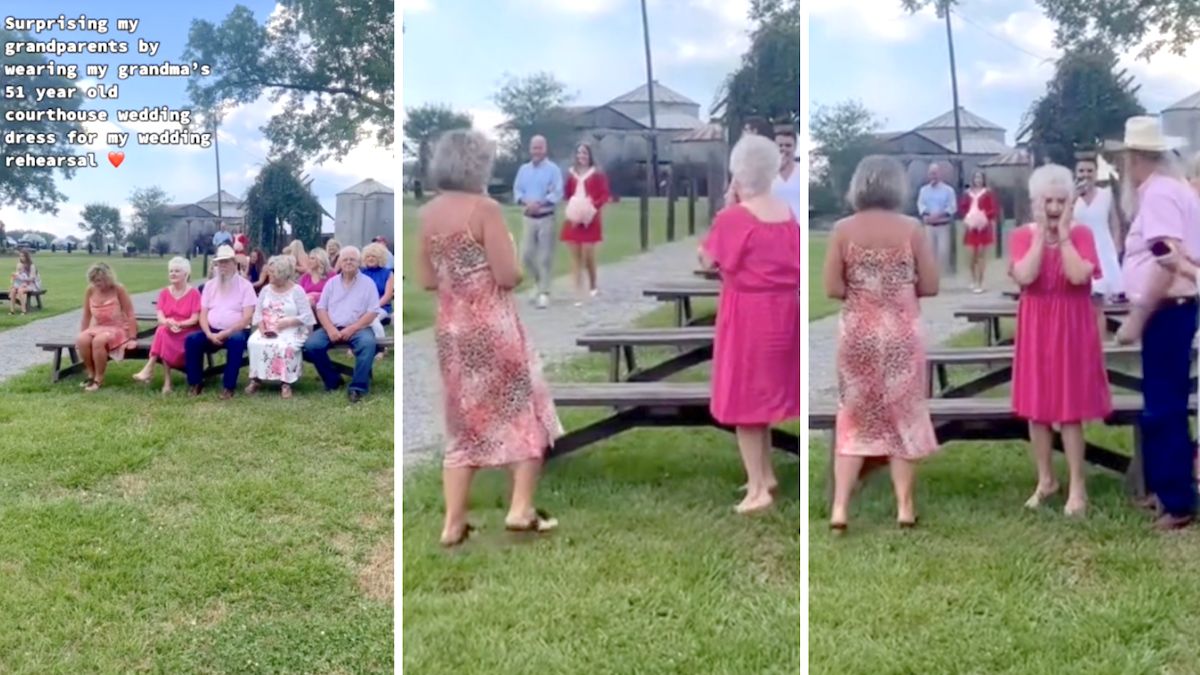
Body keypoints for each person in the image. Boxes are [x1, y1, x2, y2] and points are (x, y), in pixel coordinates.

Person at [418, 129, 563, 547]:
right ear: (476, 165)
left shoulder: (427, 215)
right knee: (524, 409)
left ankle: (453, 523)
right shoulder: (485, 208)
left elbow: (427, 278)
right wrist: (511, 266)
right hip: (492, 324)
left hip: (452, 330)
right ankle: (520, 508)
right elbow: (508, 275)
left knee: (463, 422)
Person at [823, 155, 940, 532]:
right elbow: (932, 285)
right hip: (902, 333)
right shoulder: (912, 229)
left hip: (858, 332)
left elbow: (832, 288)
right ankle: (904, 507)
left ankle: (840, 508)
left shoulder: (842, 230)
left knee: (854, 417)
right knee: (903, 417)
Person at [699, 134, 801, 515]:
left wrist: (727, 206)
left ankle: (758, 489)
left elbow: (709, 260)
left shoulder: (735, 217)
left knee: (744, 402)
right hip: (782, 313)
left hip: (747, 314)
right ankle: (766, 473)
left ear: (738, 174)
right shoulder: (787, 215)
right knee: (763, 397)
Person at [1113, 116, 1200, 530]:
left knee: (1162, 406)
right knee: (1164, 402)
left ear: (1133, 157)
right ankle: (1169, 490)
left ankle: (1176, 501)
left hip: (1166, 309)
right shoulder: (1173, 188)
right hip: (1175, 308)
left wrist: (1137, 316)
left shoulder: (1159, 194)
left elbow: (1165, 257)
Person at [1010, 164, 1112, 517]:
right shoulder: (1022, 236)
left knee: (1069, 410)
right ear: (1035, 202)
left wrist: (1064, 235)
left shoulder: (1081, 235)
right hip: (1036, 324)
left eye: (1060, 201)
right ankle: (1046, 480)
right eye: (1047, 201)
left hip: (1071, 323)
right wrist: (1041, 236)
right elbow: (1025, 275)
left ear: (1070, 202)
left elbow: (1078, 275)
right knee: (1037, 409)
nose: (1054, 208)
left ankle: (1078, 486)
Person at [303, 246, 382, 403]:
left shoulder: (368, 283)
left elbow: (373, 311)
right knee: (310, 346)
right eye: (345, 259)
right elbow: (321, 308)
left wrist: (353, 328)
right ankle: (333, 380)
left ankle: (357, 388)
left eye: (352, 259)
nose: (348, 262)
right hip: (333, 326)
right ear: (339, 261)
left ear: (359, 262)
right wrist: (330, 328)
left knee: (368, 345)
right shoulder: (331, 283)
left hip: (359, 327)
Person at [184, 245, 256, 399]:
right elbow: (203, 314)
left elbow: (247, 318)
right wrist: (208, 333)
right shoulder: (209, 286)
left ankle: (228, 386)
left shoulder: (245, 286)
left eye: (226, 262)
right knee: (192, 340)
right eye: (219, 263)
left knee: (237, 341)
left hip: (235, 331)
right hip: (212, 330)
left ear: (233, 263)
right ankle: (195, 382)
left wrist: (227, 332)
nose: (222, 266)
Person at [246, 255, 315, 398]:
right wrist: (261, 327)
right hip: (268, 327)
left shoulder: (297, 291)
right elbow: (258, 312)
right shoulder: (265, 290)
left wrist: (289, 322)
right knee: (254, 341)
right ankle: (256, 378)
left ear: (282, 274)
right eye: (269, 271)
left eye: (272, 273)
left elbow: (307, 316)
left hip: (292, 328)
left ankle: (286, 382)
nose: (268, 275)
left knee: (285, 346)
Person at [133, 257, 201, 394]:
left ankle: (152, 370)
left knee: (161, 333)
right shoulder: (164, 293)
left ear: (186, 274)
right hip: (169, 329)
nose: (173, 274)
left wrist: (180, 324)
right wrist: (168, 322)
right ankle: (165, 379)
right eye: (170, 271)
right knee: (162, 331)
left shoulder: (194, 293)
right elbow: (160, 317)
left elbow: (195, 319)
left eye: (177, 271)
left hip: (187, 331)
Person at [512, 134, 564, 309]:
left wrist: (541, 202)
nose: (536, 151)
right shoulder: (524, 170)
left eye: (540, 148)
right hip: (528, 217)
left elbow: (557, 192)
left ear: (545, 149)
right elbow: (517, 190)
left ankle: (544, 292)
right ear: (530, 149)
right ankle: (537, 282)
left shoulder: (553, 170)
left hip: (546, 217)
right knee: (525, 255)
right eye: (534, 148)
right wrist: (527, 202)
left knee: (544, 257)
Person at [75, 263, 139, 392]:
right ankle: (91, 374)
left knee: (99, 341)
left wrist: (132, 337)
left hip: (118, 327)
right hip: (99, 326)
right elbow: (86, 315)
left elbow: (129, 312)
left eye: (99, 280)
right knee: (82, 339)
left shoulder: (118, 289)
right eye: (93, 281)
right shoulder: (90, 290)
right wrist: (83, 331)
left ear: (107, 278)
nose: (96, 284)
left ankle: (99, 378)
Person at [560, 143, 610, 305]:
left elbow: (604, 195)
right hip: (574, 218)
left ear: (590, 155)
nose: (581, 156)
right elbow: (567, 193)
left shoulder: (597, 174)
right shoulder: (571, 174)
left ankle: (593, 283)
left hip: (591, 218)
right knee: (576, 257)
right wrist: (574, 209)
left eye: (584, 153)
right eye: (579, 153)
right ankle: (578, 293)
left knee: (588, 254)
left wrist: (592, 208)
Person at [1073, 155, 1124, 301]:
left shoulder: (1106, 194)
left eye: (1090, 171)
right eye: (1081, 171)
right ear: (1076, 173)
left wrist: (1116, 245)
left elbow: (1115, 222)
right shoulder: (1071, 196)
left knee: (1108, 292)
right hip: (1080, 248)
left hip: (1104, 246)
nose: (1085, 174)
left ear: (1096, 173)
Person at [958, 170, 999, 293]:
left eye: (980, 178)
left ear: (983, 179)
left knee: (981, 255)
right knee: (971, 255)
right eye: (976, 177)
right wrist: (968, 218)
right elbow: (963, 208)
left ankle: (979, 283)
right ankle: (972, 278)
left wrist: (984, 217)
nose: (978, 180)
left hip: (983, 227)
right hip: (971, 227)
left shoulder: (988, 193)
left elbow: (993, 209)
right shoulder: (967, 194)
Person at [917, 163, 957, 274]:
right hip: (929, 226)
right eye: (931, 173)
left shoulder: (948, 190)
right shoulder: (924, 190)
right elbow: (921, 205)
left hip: (943, 226)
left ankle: (941, 278)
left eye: (935, 173)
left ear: (940, 174)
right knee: (929, 253)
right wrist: (928, 216)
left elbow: (952, 207)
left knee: (942, 253)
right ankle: (930, 277)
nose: (933, 176)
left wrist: (939, 215)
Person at [362, 242, 395, 341]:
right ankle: (354, 346)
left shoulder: (388, 273)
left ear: (380, 258)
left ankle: (382, 347)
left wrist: (374, 306)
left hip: (381, 306)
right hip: (363, 306)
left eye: (373, 256)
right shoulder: (361, 273)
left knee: (373, 320)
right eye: (368, 256)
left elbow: (388, 295)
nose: (370, 259)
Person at [772, 129, 801, 221]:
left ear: (795, 147)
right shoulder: (766, 173)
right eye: (780, 145)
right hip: (774, 226)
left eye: (788, 145)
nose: (783, 149)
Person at [9, 249, 40, 315]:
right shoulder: (19, 265)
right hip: (20, 284)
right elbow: (17, 275)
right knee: (13, 290)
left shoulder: (32, 266)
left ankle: (23, 310)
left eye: (23, 256)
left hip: (31, 284)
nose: (21, 258)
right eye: (20, 256)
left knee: (20, 290)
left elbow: (32, 278)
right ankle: (12, 311)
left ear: (27, 257)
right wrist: (14, 278)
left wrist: (23, 280)